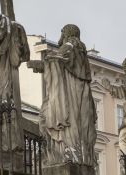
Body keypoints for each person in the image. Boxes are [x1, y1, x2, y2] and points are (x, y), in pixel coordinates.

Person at [29, 24, 96, 166]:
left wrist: (41, 64)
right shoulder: (81, 52)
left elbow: (58, 61)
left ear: (65, 33)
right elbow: (60, 61)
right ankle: (75, 155)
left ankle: (64, 154)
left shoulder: (69, 46)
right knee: (77, 125)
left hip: (68, 96)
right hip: (79, 97)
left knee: (46, 120)